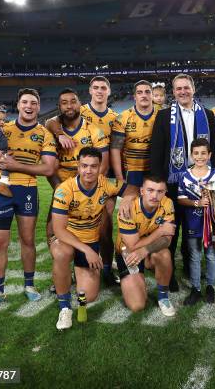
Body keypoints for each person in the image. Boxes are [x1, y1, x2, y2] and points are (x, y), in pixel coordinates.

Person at [0, 88, 58, 310]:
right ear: (18, 105)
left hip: (27, 191)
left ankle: (29, 286)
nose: (29, 106)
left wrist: (15, 165)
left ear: (38, 107)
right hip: (0, 189)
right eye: (25, 102)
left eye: (33, 103)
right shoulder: (3, 128)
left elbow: (49, 168)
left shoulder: (44, 134)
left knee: (28, 240)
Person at [149, 73, 215, 291]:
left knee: (196, 226)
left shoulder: (207, 115)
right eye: (178, 88)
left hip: (202, 180)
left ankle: (192, 269)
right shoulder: (163, 116)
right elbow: (156, 152)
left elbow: (214, 149)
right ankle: (168, 274)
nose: (182, 91)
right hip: (173, 181)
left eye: (186, 88)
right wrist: (159, 182)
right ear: (174, 91)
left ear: (193, 89)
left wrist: (213, 181)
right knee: (172, 227)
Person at [50, 76, 119, 286]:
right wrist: (60, 134)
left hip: (98, 182)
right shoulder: (76, 111)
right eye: (95, 87)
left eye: (103, 88)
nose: (99, 91)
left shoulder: (116, 117)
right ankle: (64, 272)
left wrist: (94, 187)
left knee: (105, 227)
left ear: (109, 91)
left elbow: (105, 162)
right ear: (89, 92)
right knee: (54, 229)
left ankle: (106, 268)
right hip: (68, 187)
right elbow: (50, 122)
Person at [50, 147, 128, 330]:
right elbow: (59, 230)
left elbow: (131, 188)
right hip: (66, 239)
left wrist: (128, 198)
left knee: (89, 295)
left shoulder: (106, 183)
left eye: (93, 166)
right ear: (78, 166)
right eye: (84, 166)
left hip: (90, 241)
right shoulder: (65, 189)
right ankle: (65, 308)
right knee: (62, 253)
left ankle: (75, 273)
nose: (88, 170)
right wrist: (87, 251)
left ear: (100, 167)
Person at [116, 174, 177, 316]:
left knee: (164, 254)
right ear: (142, 191)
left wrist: (145, 250)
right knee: (137, 305)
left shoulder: (167, 203)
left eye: (160, 191)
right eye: (150, 190)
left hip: (147, 250)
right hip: (127, 252)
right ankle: (131, 277)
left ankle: (163, 297)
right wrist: (159, 232)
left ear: (165, 192)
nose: (155, 195)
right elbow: (132, 246)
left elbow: (167, 240)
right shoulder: (128, 207)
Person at [177, 138, 215, 305]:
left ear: (209, 155)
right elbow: (181, 199)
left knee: (210, 255)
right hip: (193, 222)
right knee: (195, 255)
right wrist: (197, 202)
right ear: (191, 155)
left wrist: (212, 199)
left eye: (203, 153)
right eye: (196, 153)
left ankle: (210, 286)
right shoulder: (185, 175)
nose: (200, 156)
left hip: (211, 222)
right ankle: (195, 288)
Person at [110, 80, 156, 188]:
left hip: (156, 169)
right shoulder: (123, 118)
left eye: (147, 92)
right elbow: (115, 148)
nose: (144, 95)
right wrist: (119, 177)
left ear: (152, 95)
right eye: (140, 92)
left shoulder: (163, 114)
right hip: (132, 171)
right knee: (132, 203)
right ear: (134, 96)